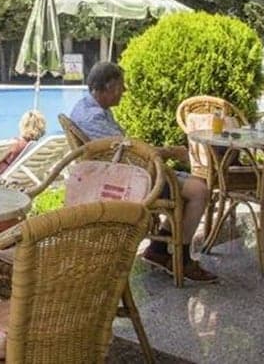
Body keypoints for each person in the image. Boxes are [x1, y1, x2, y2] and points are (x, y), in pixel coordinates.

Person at [68, 61, 216, 284]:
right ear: (109, 87)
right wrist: (170, 152)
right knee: (199, 190)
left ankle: (158, 249)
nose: (124, 91)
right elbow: (129, 152)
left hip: (121, 174)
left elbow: (124, 148)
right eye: (121, 86)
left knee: (191, 186)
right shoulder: (94, 118)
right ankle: (182, 260)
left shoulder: (85, 108)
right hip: (127, 182)